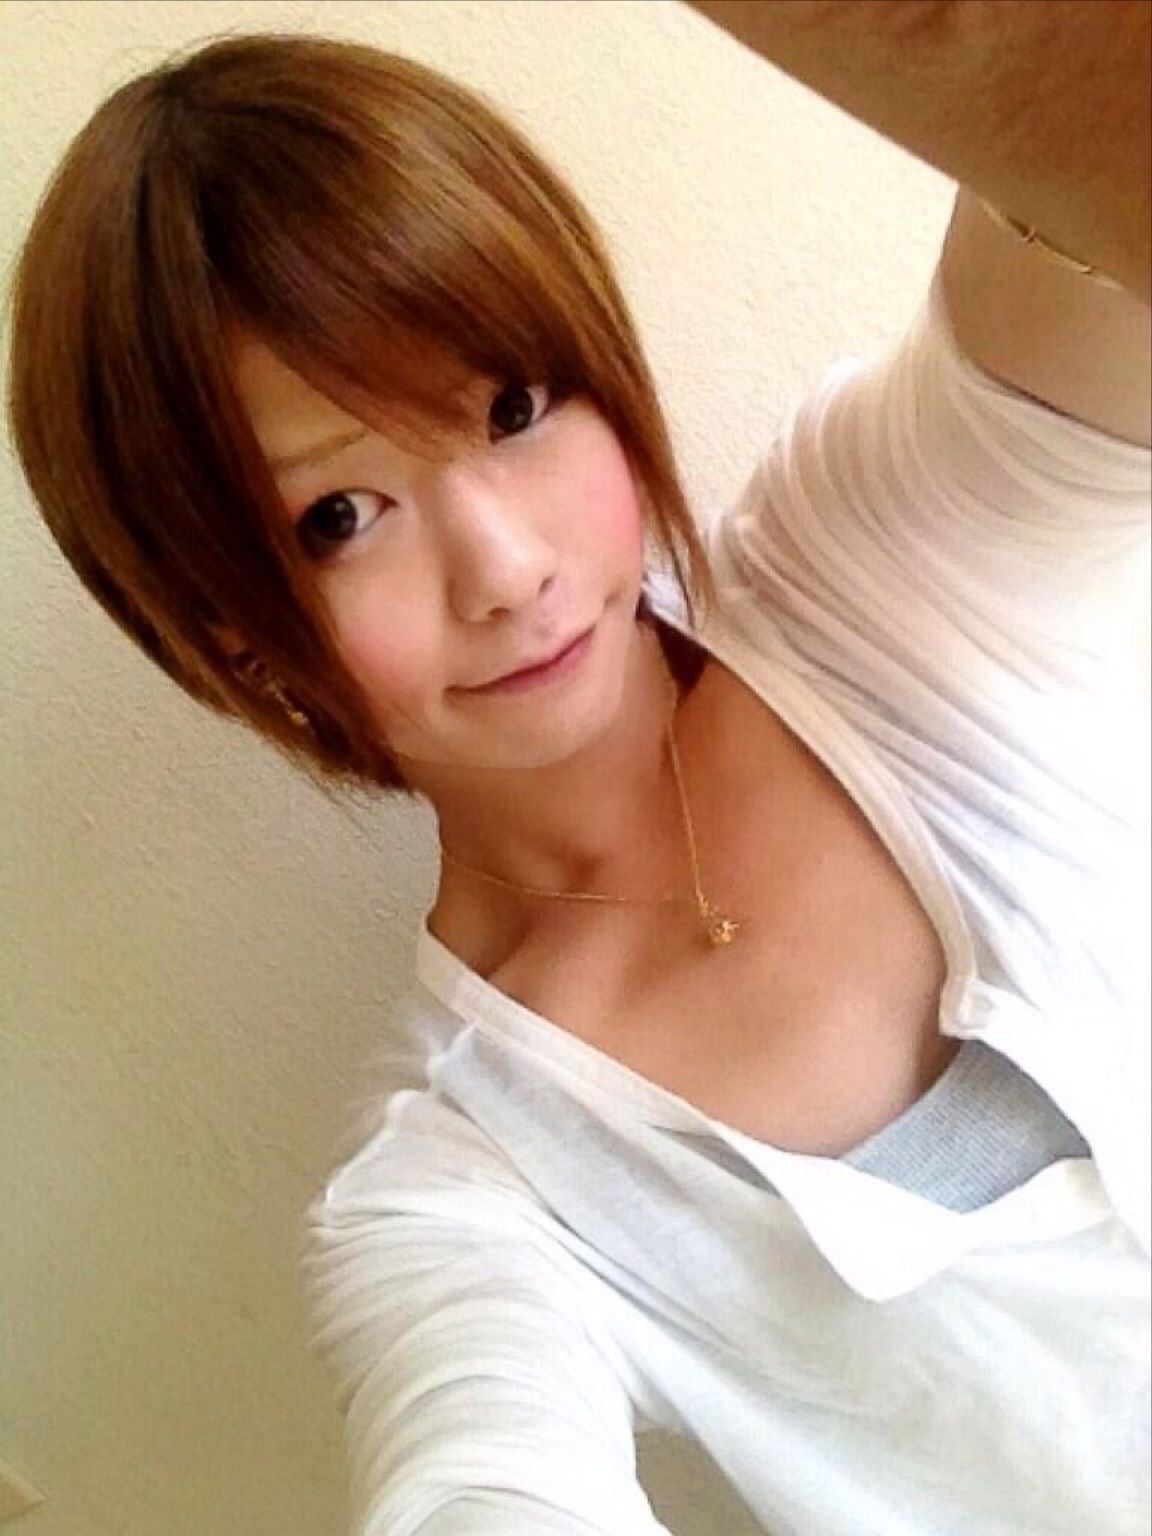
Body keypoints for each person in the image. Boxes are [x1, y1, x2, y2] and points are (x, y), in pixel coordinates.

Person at [6, 6, 1150, 1533]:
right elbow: (485, 1474)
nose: (507, 568)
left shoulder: (875, 566)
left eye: (514, 409)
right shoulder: (460, 1195)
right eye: (339, 516)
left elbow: (1104, 172)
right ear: (231, 639)